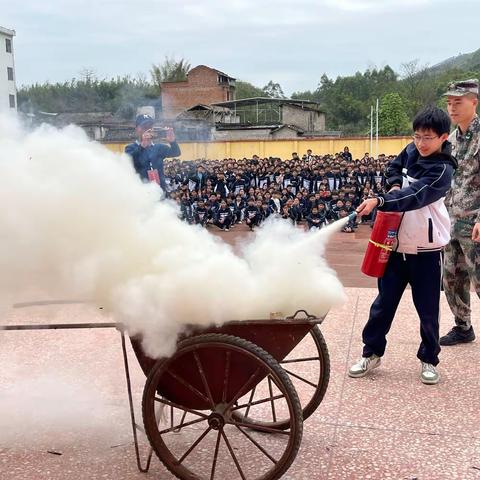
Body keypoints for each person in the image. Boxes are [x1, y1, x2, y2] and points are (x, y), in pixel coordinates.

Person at [349, 106, 457, 385]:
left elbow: (416, 195)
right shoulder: (410, 150)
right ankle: (371, 352)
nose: (421, 143)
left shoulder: (442, 170)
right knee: (383, 305)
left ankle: (429, 359)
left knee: (428, 310)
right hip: (394, 248)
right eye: (417, 136)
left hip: (426, 252)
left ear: (443, 137)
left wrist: (382, 200)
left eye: (428, 138)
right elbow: (393, 168)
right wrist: (394, 184)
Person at [440, 79, 480, 346]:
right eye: (449, 103)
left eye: (458, 102)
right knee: (452, 278)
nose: (452, 108)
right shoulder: (451, 140)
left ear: (474, 102)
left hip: (475, 221)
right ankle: (462, 326)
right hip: (450, 220)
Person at [125, 114, 181, 192]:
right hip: (140, 192)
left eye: (150, 127)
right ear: (137, 129)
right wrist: (142, 145)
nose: (148, 129)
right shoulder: (130, 148)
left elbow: (176, 153)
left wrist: (172, 142)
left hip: (160, 191)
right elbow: (129, 161)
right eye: (144, 127)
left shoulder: (159, 147)